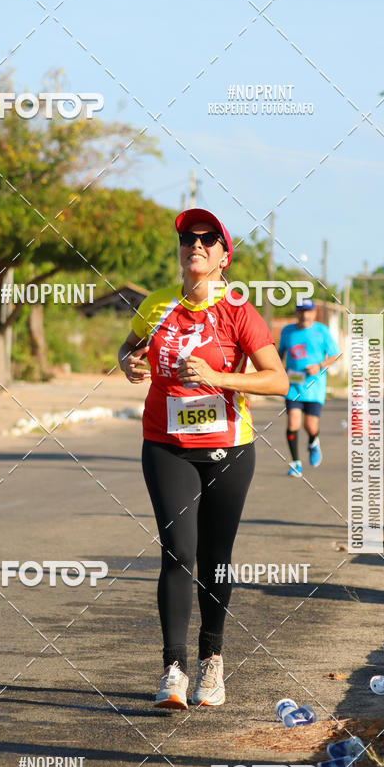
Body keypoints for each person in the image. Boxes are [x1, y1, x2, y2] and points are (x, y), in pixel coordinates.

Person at [117, 208, 289, 710]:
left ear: (222, 256)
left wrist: (221, 379)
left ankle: (212, 660)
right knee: (178, 551)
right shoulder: (156, 306)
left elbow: (277, 381)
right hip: (166, 444)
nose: (196, 244)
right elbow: (129, 349)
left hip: (229, 449)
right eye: (188, 239)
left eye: (207, 238)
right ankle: (173, 670)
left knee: (215, 559)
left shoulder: (239, 310)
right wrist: (129, 363)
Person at [278, 299, 340, 477]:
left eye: (308, 311)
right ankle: (296, 463)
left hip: (314, 387)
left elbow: (335, 355)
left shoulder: (321, 331)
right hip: (293, 386)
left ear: (314, 313)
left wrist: (319, 365)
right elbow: (279, 353)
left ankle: (313, 443)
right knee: (293, 422)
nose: (305, 315)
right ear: (296, 313)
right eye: (301, 311)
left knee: (310, 426)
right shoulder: (287, 331)